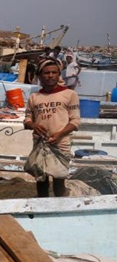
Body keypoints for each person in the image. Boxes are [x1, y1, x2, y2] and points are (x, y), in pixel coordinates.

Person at [23, 59, 81, 197]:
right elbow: (27, 120)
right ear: (40, 75)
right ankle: (42, 206)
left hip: (60, 144)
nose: (50, 76)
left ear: (59, 74)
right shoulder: (34, 97)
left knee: (59, 180)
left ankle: (59, 208)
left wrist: (59, 134)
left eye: (54, 72)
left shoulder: (70, 95)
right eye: (46, 73)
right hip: (40, 144)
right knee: (41, 180)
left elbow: (75, 121)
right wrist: (33, 125)